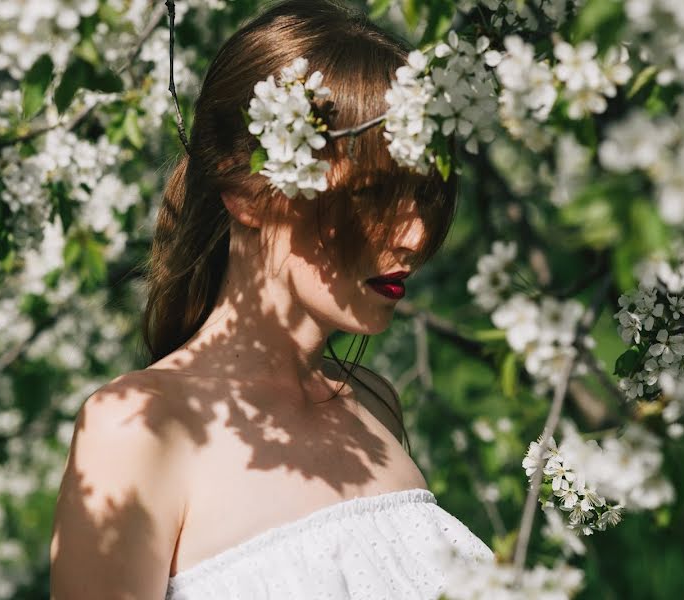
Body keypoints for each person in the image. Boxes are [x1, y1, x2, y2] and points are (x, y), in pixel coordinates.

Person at [50, 1, 493, 598]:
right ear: (250, 191)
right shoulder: (138, 428)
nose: (414, 236)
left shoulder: (373, 403)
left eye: (425, 197)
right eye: (371, 194)